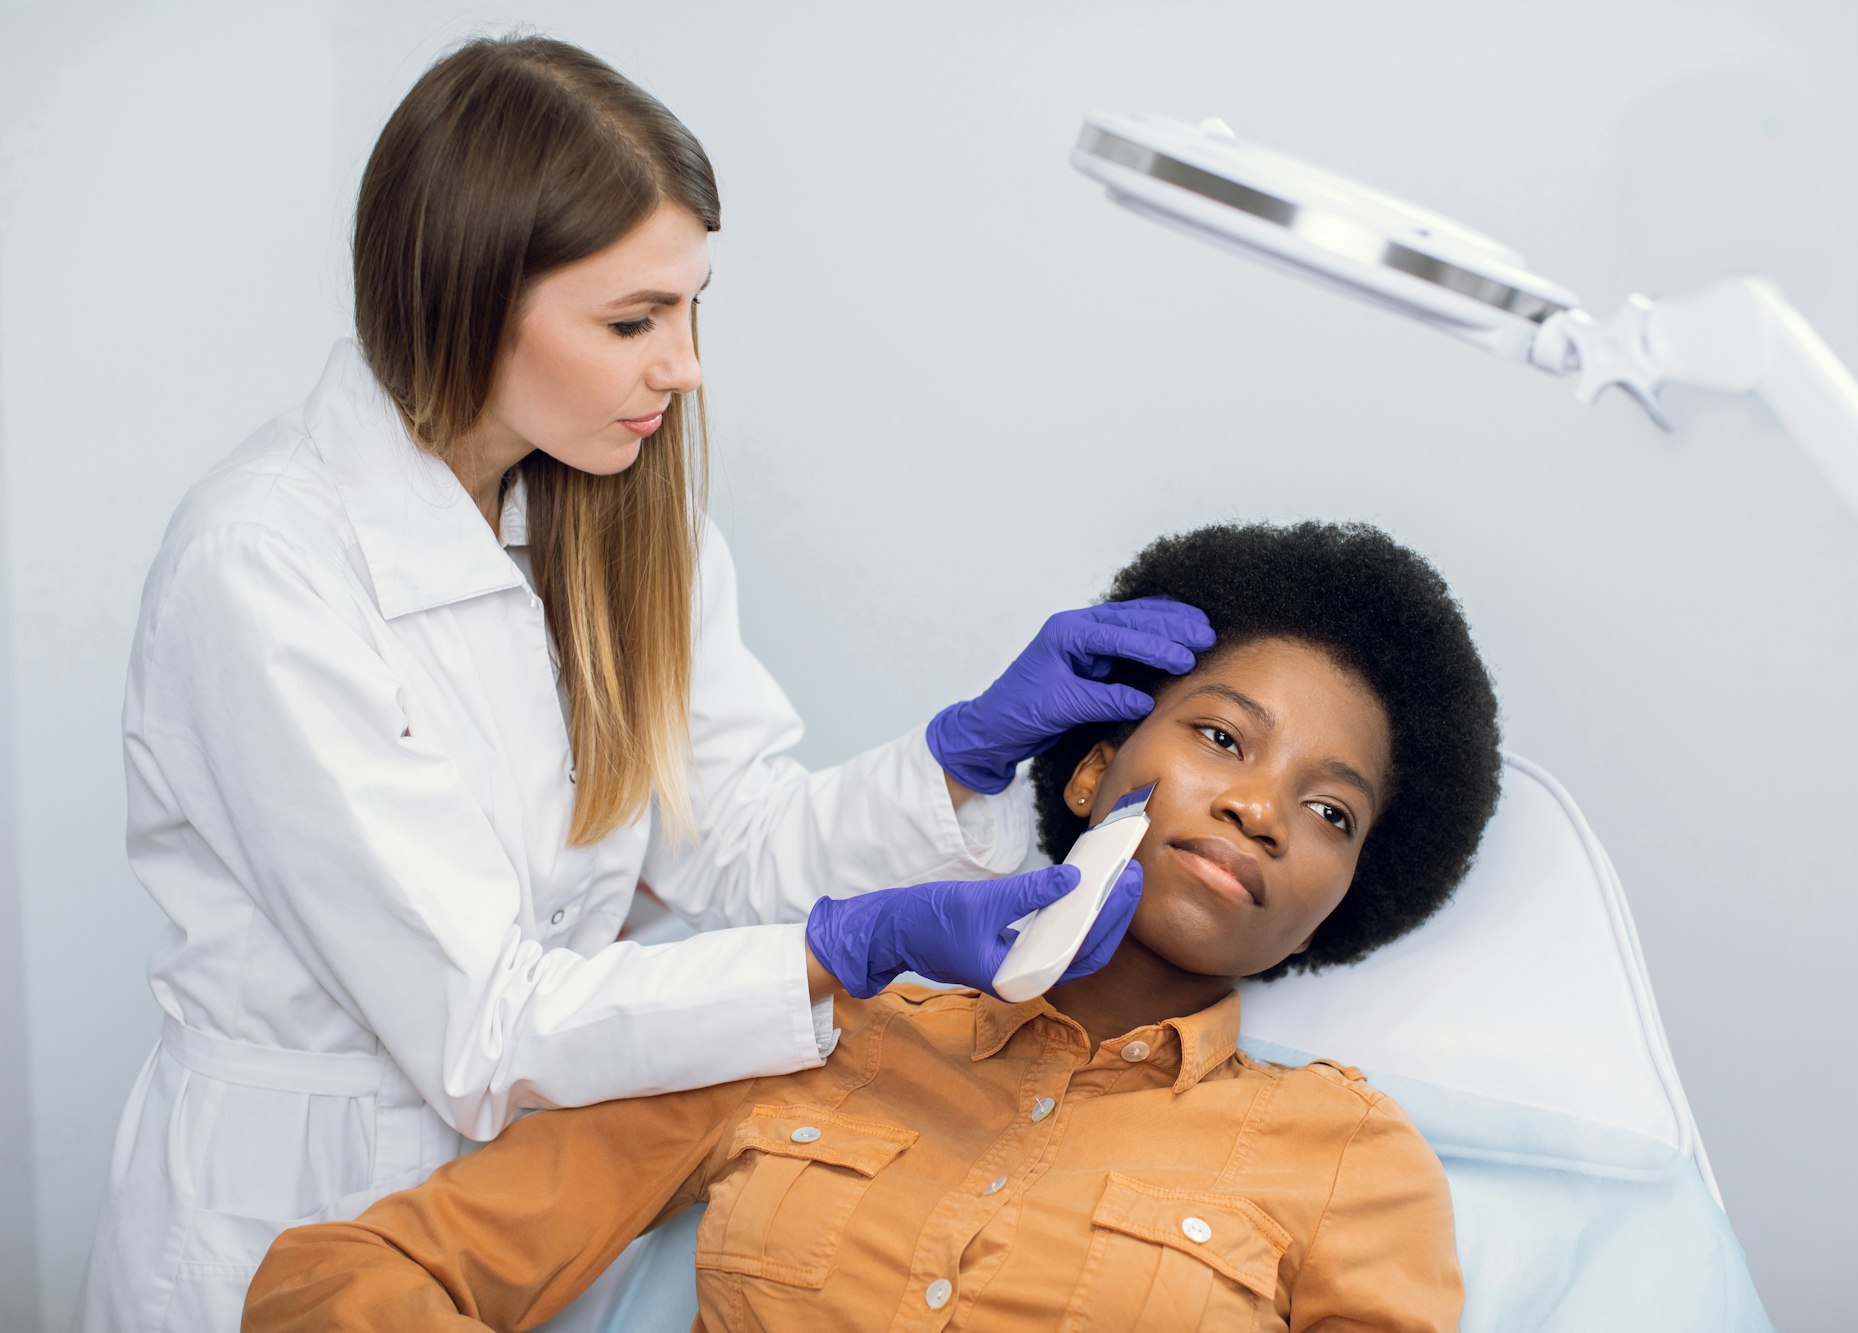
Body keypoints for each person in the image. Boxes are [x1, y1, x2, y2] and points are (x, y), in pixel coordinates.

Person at [74, 35, 1210, 1332]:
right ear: (465, 299)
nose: (684, 365)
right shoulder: (266, 565)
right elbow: (484, 1027)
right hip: (290, 1206)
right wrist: (846, 951)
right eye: (632, 321)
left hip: (549, 1203)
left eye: (689, 307)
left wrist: (956, 760)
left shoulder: (620, 525)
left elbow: (727, 843)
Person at [242, 520, 1504, 1332]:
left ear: (1339, 901)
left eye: (1328, 811)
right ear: (1088, 769)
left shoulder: (1349, 1163)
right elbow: (339, 1281)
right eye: (1222, 736)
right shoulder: (801, 1028)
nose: (1258, 809)